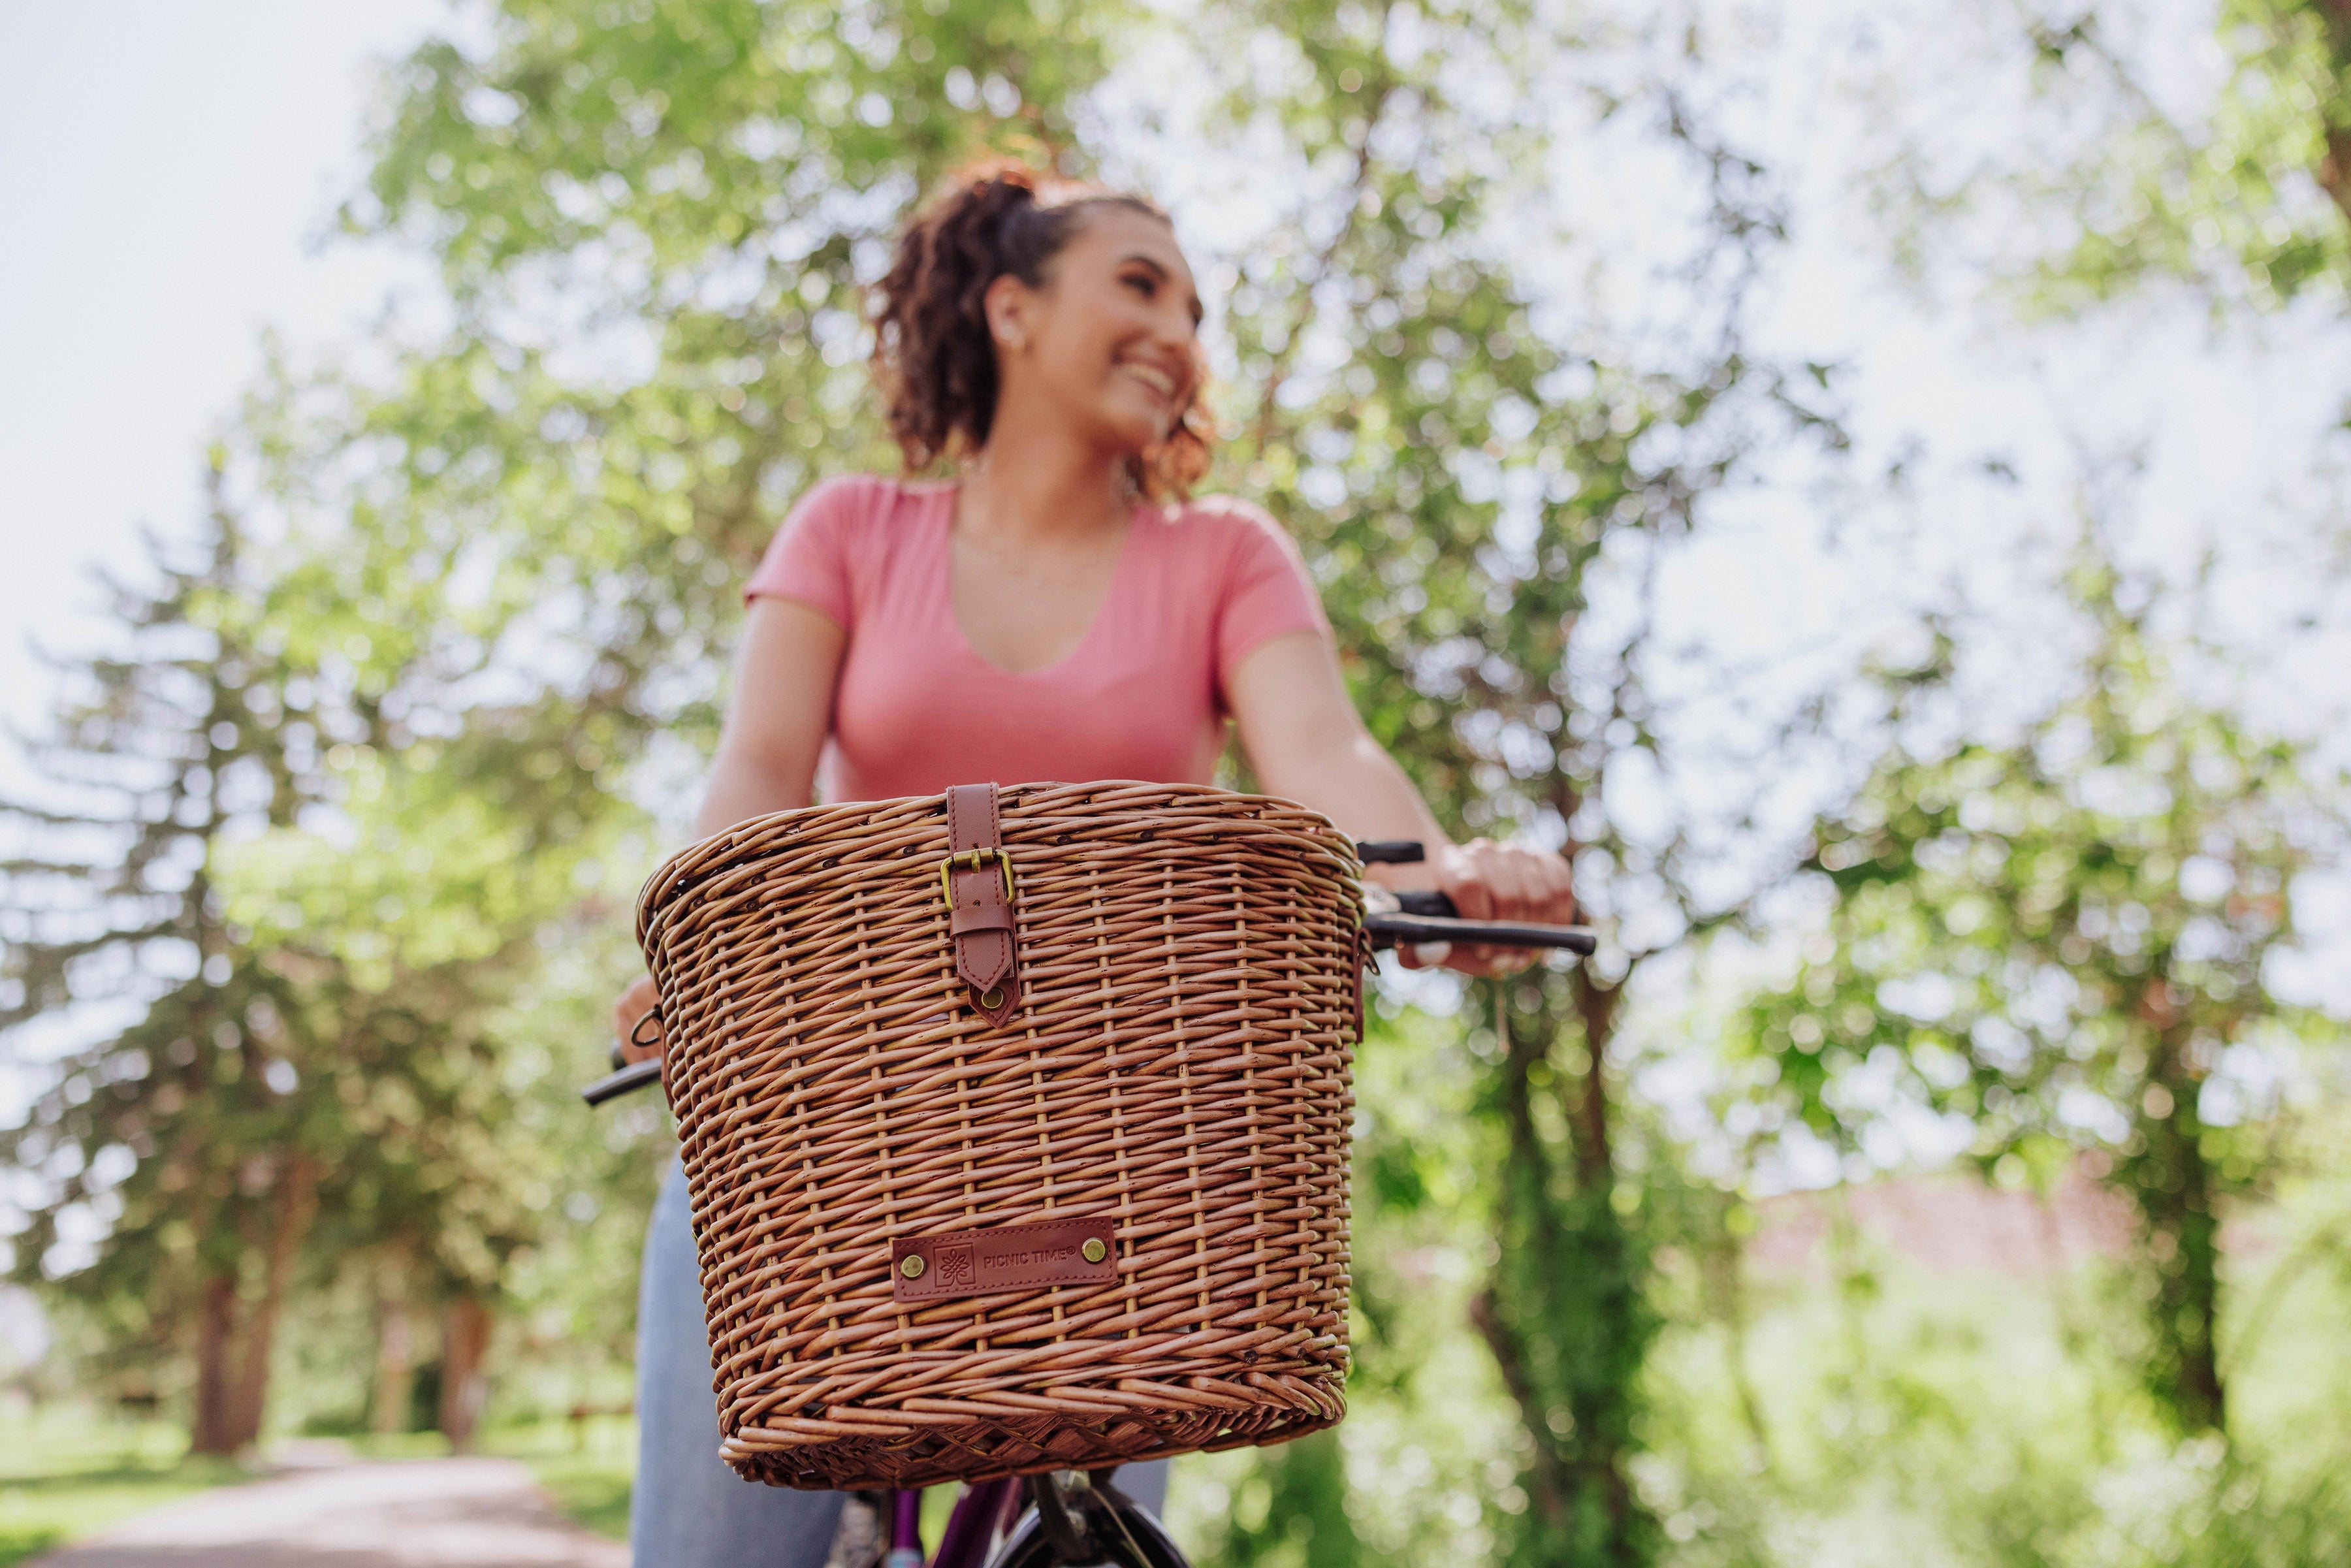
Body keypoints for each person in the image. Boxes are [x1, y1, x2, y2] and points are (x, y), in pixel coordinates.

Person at [613, 158, 1576, 1568]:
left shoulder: (1223, 558)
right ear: (1011, 307)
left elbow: (1333, 768)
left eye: (1193, 306)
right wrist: (681, 966)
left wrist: (1442, 880)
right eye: (1138, 284)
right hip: (827, 1128)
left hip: (1117, 1152)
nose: (1179, 332)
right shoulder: (852, 531)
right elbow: (755, 778)